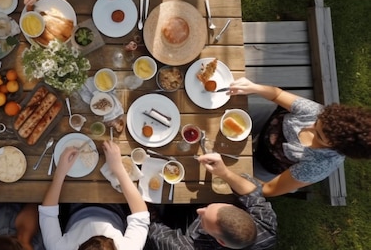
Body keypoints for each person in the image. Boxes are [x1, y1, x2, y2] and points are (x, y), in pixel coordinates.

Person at [228, 77, 371, 196]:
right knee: (225, 110)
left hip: (267, 166)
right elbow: (277, 94)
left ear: (337, 148)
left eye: (318, 136)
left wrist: (228, 175)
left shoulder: (319, 165)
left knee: (230, 181)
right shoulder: (318, 112)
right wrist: (254, 87)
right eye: (316, 123)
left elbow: (268, 189)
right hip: (268, 123)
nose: (309, 128)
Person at [146, 153, 278, 250]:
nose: (199, 211)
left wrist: (143, 188)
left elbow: (153, 225)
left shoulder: (187, 247)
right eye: (210, 207)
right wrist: (224, 173)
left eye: (203, 221)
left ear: (220, 242)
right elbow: (253, 192)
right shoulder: (267, 226)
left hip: (176, 220)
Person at [39, 141, 150, 250]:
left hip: (77, 208)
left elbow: (47, 213)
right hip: (114, 208)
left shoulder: (58, 248)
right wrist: (117, 167)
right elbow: (141, 214)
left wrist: (61, 171)